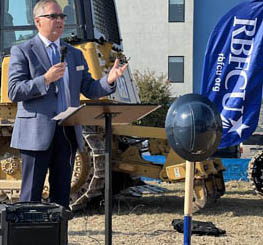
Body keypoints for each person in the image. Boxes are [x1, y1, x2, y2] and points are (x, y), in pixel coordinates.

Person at [8, 0, 127, 209]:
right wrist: (45, 79)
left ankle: (58, 237)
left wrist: (109, 80)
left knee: (62, 196)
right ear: (38, 22)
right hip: (36, 133)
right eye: (53, 16)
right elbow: (14, 90)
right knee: (30, 196)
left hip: (68, 132)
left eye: (62, 16)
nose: (60, 20)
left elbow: (89, 88)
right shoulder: (23, 51)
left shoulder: (74, 54)